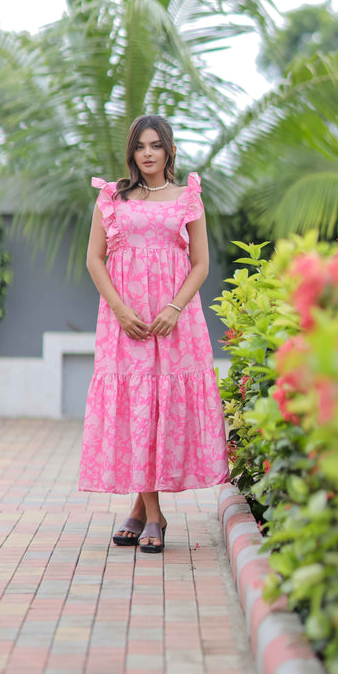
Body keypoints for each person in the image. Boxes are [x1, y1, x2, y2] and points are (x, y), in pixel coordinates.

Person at [79, 114, 230, 552]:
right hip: (125, 321)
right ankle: (154, 514)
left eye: (156, 145)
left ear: (169, 151)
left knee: (162, 406)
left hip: (174, 320)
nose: (147, 153)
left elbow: (200, 263)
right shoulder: (111, 196)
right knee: (137, 406)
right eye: (140, 146)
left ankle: (140, 511)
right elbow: (94, 259)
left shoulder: (188, 197)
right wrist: (121, 310)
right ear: (132, 152)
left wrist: (174, 307)